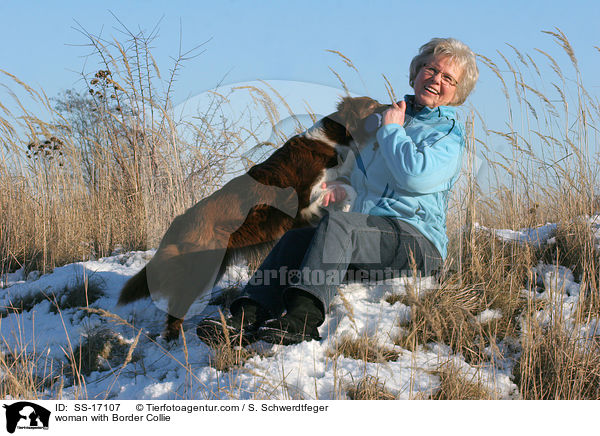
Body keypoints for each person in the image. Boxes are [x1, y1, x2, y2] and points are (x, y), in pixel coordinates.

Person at [197, 37, 479, 346]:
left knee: (341, 226)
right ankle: (246, 316)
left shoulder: (446, 134)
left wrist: (392, 130)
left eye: (448, 78)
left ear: (457, 93)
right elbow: (350, 167)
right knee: (301, 234)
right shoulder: (386, 117)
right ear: (415, 73)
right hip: (368, 237)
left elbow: (413, 176)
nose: (436, 79)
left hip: (416, 243)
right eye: (431, 69)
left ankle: (302, 319)